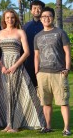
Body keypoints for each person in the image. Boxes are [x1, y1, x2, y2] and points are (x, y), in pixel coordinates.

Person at [0, 9, 45, 132]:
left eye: (12, 17)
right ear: (4, 19)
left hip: (17, 66)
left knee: (17, 95)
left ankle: (15, 124)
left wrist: (15, 66)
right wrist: (2, 66)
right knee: (6, 95)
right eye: (7, 18)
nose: (10, 20)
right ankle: (8, 124)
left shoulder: (20, 32)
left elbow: (27, 52)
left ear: (15, 18)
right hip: (4, 68)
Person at [34, 7, 71, 136]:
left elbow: (67, 52)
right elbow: (36, 56)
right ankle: (48, 126)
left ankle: (66, 128)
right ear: (40, 19)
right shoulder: (37, 36)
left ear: (53, 17)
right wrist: (36, 72)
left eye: (48, 16)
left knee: (63, 102)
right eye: (43, 16)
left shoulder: (60, 33)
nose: (46, 18)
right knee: (46, 102)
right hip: (43, 74)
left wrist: (67, 68)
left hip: (59, 73)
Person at [23, 0, 45, 87]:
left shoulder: (46, 25)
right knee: (30, 89)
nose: (37, 10)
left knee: (43, 90)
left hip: (44, 63)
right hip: (29, 63)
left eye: (39, 8)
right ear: (31, 11)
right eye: (34, 8)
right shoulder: (25, 27)